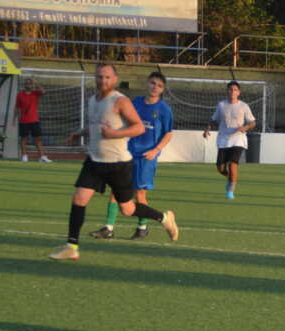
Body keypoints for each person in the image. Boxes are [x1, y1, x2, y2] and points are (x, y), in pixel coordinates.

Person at [48, 63, 179, 261]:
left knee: (128, 208)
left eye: (108, 77)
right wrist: (79, 133)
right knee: (79, 199)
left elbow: (139, 128)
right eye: (100, 76)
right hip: (94, 161)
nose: (103, 80)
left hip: (118, 163)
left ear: (115, 79)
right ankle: (72, 246)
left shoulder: (121, 101)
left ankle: (163, 218)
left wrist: (116, 134)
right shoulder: (92, 100)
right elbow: (96, 126)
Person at [90, 71, 175, 240]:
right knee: (115, 189)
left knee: (140, 194)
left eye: (159, 85)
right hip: (127, 153)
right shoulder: (135, 103)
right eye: (152, 83)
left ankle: (142, 227)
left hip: (146, 157)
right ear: (146, 84)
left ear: (162, 89)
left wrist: (155, 150)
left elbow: (168, 133)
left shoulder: (164, 109)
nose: (154, 87)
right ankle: (108, 227)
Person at [203, 80, 255, 200]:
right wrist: (207, 129)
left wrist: (246, 127)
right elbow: (214, 120)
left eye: (235, 90)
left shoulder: (244, 106)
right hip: (223, 139)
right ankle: (230, 178)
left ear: (239, 92)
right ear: (227, 91)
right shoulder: (221, 105)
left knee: (232, 165)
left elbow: (253, 122)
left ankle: (231, 190)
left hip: (238, 139)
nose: (232, 92)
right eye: (230, 89)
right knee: (220, 168)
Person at [16, 77, 52, 163]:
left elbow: (43, 91)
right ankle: (24, 156)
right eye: (27, 83)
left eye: (30, 83)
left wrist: (36, 83)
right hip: (23, 121)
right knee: (24, 139)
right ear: (24, 85)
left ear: (32, 85)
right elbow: (17, 107)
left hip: (34, 120)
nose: (29, 84)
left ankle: (42, 156)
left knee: (38, 139)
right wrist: (14, 120)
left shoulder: (35, 93)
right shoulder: (20, 95)